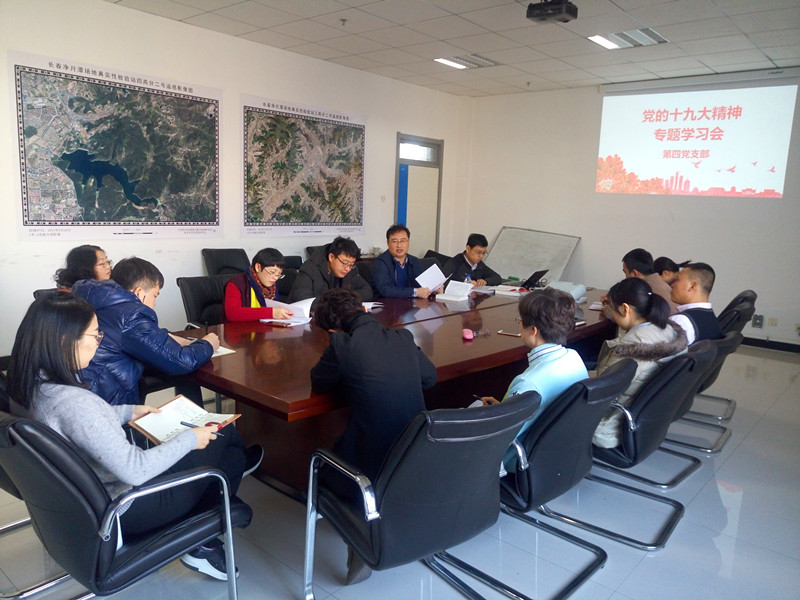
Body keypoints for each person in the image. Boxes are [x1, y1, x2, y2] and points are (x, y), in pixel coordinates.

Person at [6, 293, 261, 581]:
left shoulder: (30, 384)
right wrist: (191, 439)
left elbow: (72, 423)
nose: (99, 341)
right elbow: (135, 469)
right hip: (128, 506)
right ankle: (202, 541)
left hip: (88, 502)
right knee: (225, 436)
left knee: (229, 457)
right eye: (95, 335)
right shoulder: (74, 403)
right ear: (65, 342)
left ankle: (208, 525)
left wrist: (128, 411)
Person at [310, 288, 437, 585]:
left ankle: (359, 537)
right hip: (414, 454)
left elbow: (319, 382)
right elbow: (429, 378)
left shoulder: (341, 344)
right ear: (365, 310)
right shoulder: (402, 337)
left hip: (368, 467)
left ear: (332, 329)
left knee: (321, 468)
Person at [72, 257, 219, 406]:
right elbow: (181, 361)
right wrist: (208, 344)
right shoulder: (132, 315)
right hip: (107, 403)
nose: (154, 303)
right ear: (139, 293)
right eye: (154, 296)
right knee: (182, 370)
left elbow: (124, 333)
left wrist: (165, 336)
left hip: (84, 392)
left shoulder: (95, 299)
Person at [480, 288, 588, 471]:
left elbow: (500, 436)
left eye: (520, 321)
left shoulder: (527, 382)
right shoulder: (574, 357)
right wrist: (508, 407)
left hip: (520, 460)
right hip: (560, 452)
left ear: (533, 330)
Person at [592, 278, 688, 448]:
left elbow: (601, 392)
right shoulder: (668, 330)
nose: (611, 313)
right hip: (649, 417)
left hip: (609, 426)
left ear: (625, 309)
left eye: (612, 309)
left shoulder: (629, 348)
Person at [288, 236, 372, 307]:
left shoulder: (350, 269)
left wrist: (345, 300)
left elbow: (367, 291)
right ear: (331, 257)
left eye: (351, 265)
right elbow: (303, 300)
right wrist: (338, 300)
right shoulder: (309, 268)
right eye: (344, 263)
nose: (347, 269)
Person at [223, 247, 293, 321]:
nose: (275, 278)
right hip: (240, 327)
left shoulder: (272, 286)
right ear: (258, 267)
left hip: (265, 326)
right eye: (272, 272)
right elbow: (233, 313)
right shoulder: (236, 283)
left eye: (278, 274)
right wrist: (271, 313)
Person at [372, 224, 441, 298]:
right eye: (394, 241)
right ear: (388, 243)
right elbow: (386, 290)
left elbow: (420, 286)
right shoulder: (381, 262)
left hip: (411, 302)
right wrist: (415, 292)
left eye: (403, 241)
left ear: (408, 241)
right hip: (388, 303)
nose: (399, 245)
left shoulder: (414, 261)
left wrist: (433, 290)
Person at [669, 262, 723, 344]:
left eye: (677, 280)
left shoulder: (680, 322)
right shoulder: (713, 321)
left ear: (692, 286)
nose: (672, 285)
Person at [621, 248, 678, 315]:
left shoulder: (642, 291)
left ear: (634, 273)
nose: (625, 278)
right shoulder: (663, 286)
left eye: (625, 272)